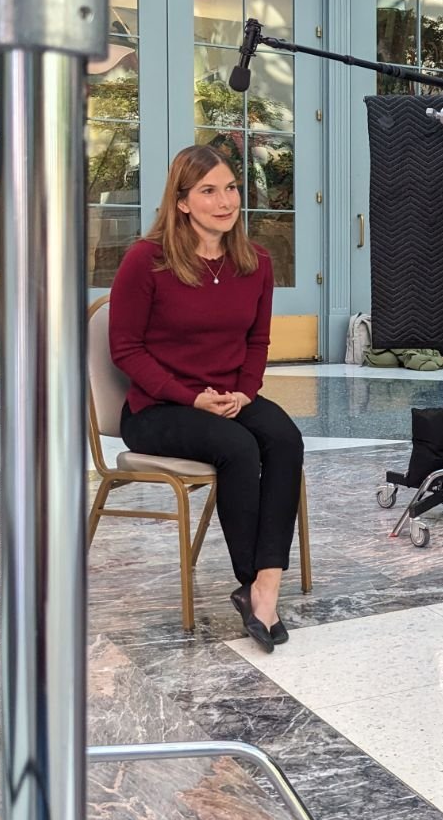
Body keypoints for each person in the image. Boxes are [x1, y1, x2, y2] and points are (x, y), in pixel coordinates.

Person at [109, 145, 304, 653]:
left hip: (230, 395)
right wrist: (193, 398)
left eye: (231, 188)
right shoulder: (145, 261)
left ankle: (266, 583)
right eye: (208, 191)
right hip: (159, 408)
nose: (225, 201)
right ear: (181, 202)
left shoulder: (255, 261)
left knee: (284, 437)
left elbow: (257, 341)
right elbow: (126, 349)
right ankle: (253, 584)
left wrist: (244, 391)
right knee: (238, 448)